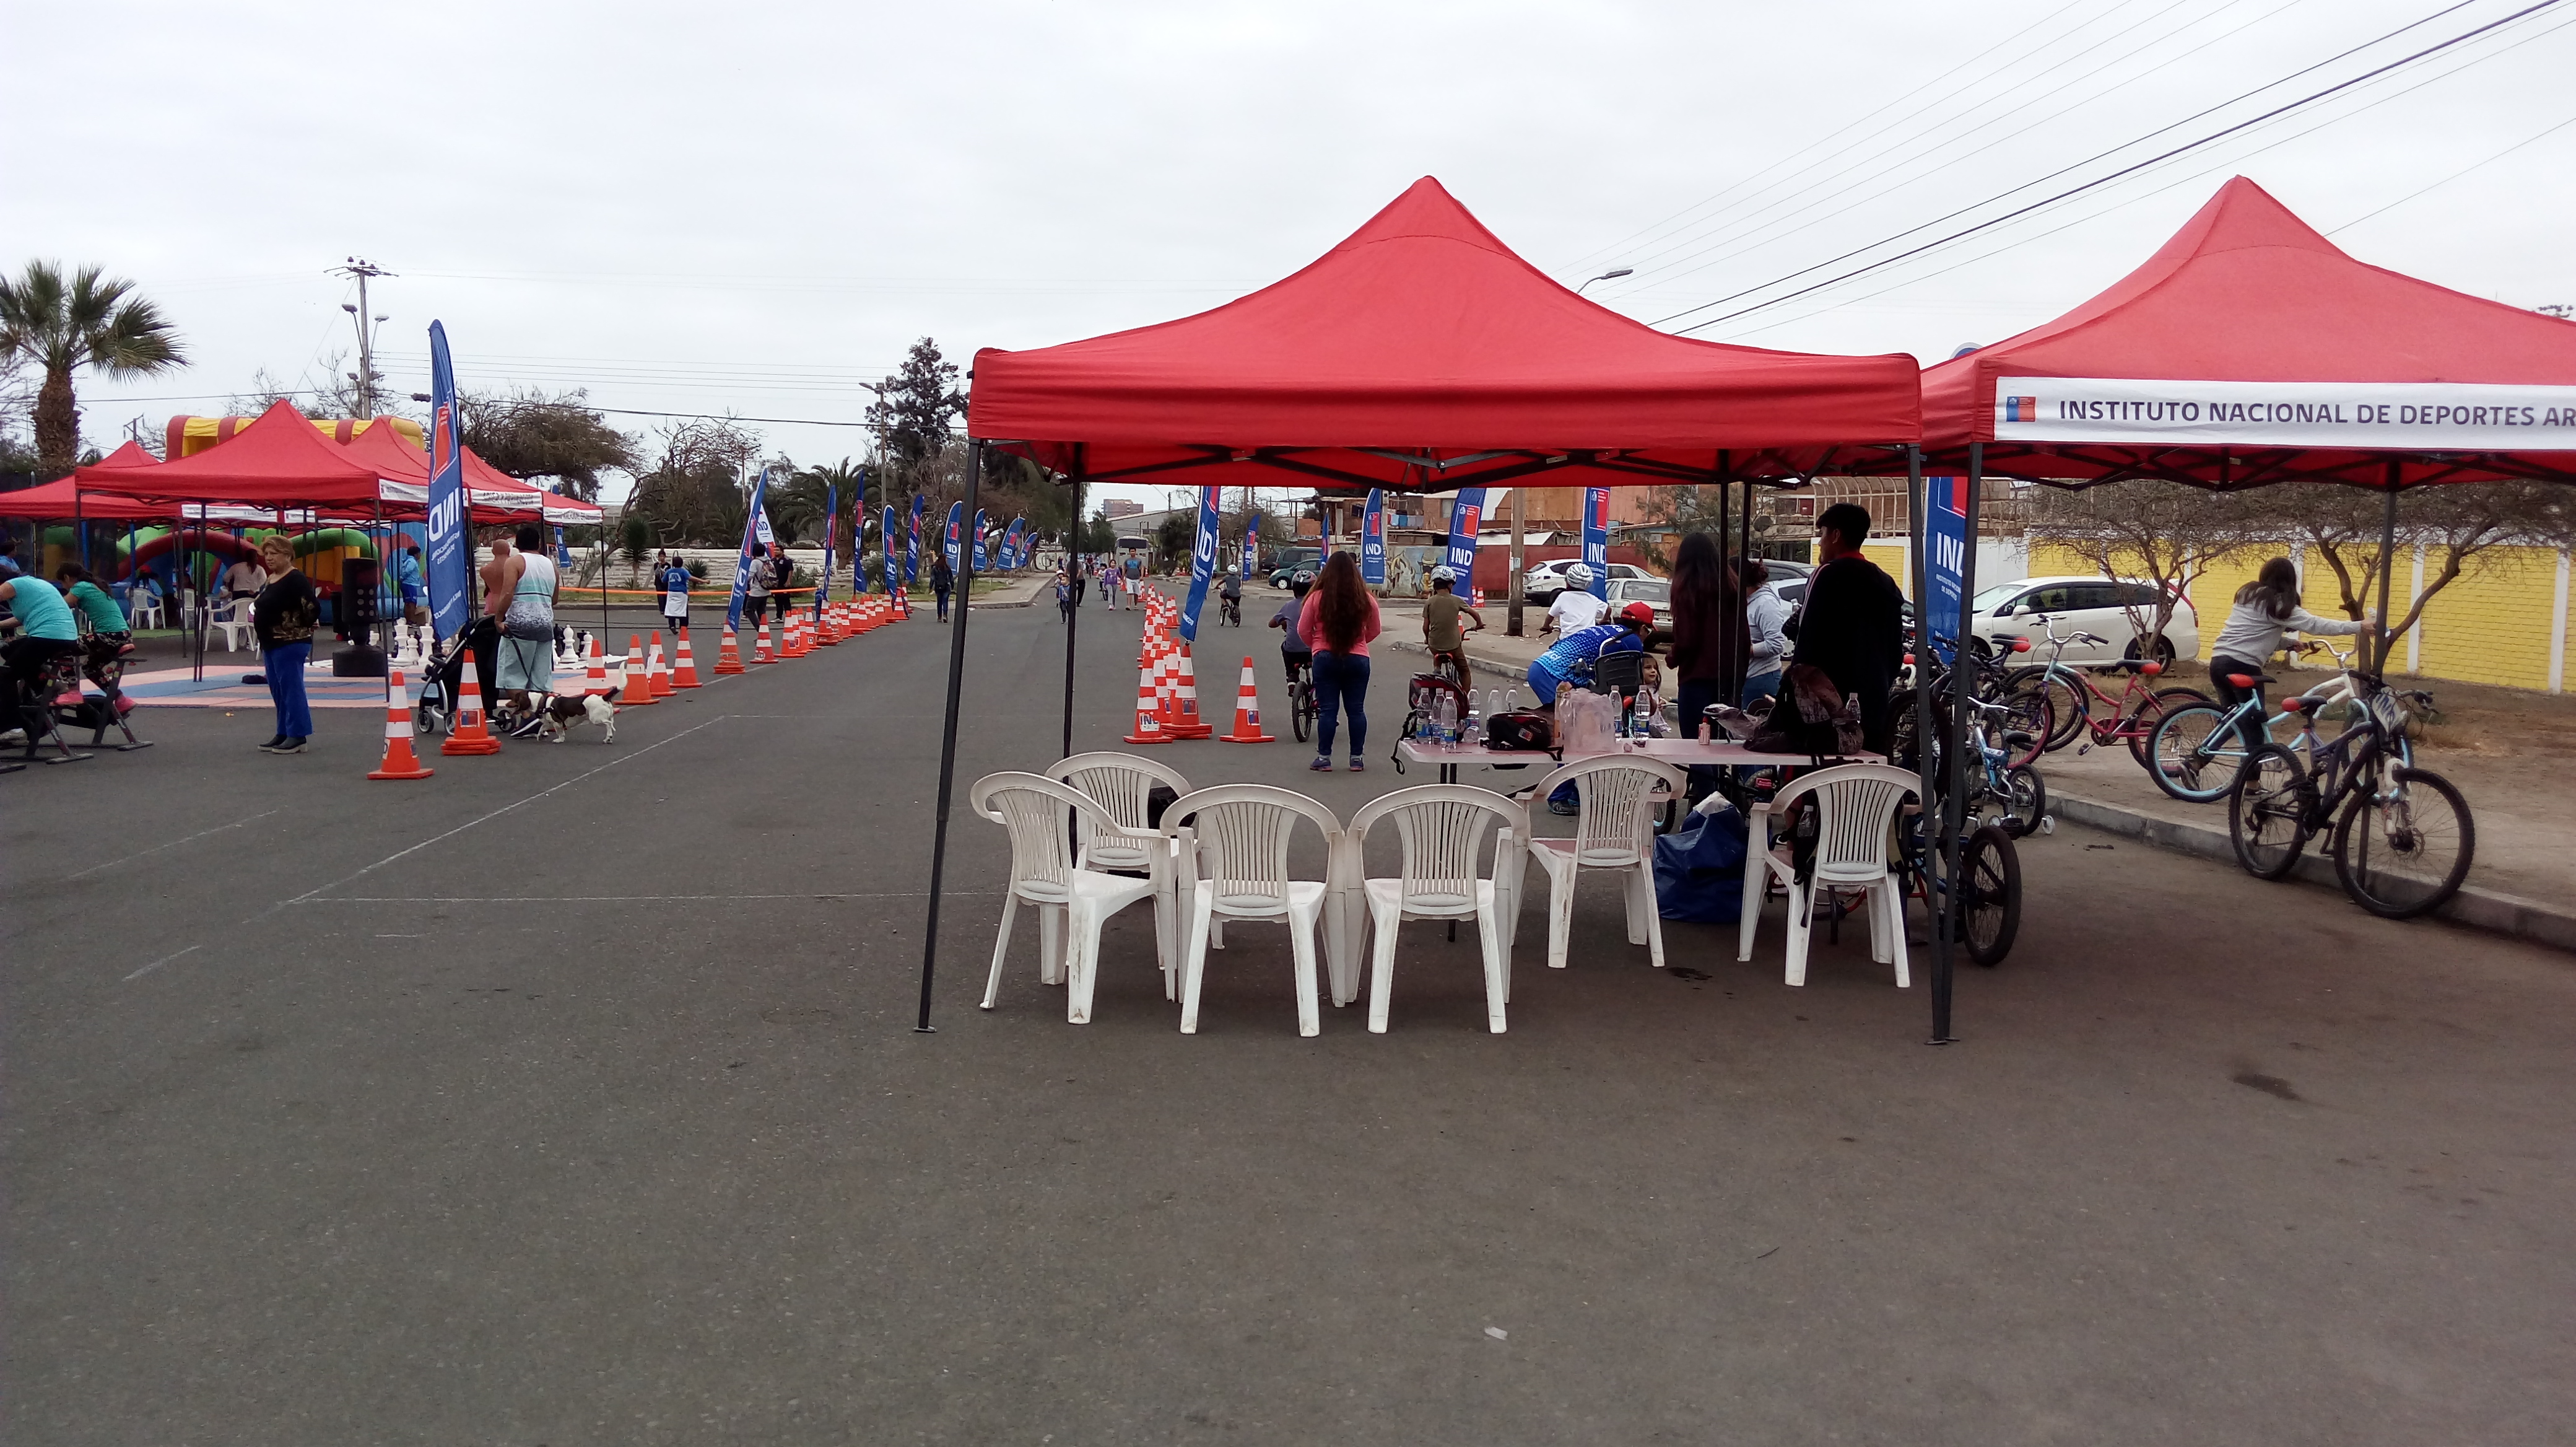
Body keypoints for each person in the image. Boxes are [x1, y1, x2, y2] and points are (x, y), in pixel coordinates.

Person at [2208, 556, 2371, 752]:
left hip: (2219, 662)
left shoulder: (2248, 596)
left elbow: (2252, 635)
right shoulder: (2278, 604)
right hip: (2243, 667)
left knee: (2232, 721)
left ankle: (2196, 759)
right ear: (2290, 580)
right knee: (2254, 730)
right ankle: (2253, 772)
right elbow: (2316, 625)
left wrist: (2289, 644)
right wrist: (2360, 626)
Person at [1788, 502, 1907, 754]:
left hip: (1827, 710)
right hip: (1873, 702)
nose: (1820, 543)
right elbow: (1896, 651)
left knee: (1822, 774)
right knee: (1864, 772)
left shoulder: (1826, 575)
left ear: (1836, 535)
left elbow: (1806, 641)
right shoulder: (1886, 582)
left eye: (1822, 534)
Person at [1298, 552, 1380, 772]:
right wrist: (1360, 643)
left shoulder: (1316, 598)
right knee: (1356, 711)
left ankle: (1324, 758)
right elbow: (1375, 630)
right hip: (1358, 658)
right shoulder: (1366, 599)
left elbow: (1303, 630)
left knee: (1327, 711)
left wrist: (1316, 646)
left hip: (1325, 658)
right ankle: (1356, 759)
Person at [1666, 533, 1747, 745]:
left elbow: (1687, 638)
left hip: (1696, 679)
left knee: (1696, 744)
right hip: (1728, 679)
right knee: (1721, 744)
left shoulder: (1688, 589)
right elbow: (1743, 636)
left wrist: (1672, 657)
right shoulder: (1733, 587)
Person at [251, 535, 318, 753]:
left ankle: (298, 735)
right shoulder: (271, 578)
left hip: (289, 642)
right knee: (278, 690)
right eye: (267, 554)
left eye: (274, 554)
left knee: (291, 689)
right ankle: (283, 731)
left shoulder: (295, 579)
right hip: (270, 643)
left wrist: (300, 625)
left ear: (288, 555)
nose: (269, 558)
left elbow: (312, 607)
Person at [1526, 600, 1651, 708]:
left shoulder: (1608, 630)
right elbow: (1633, 679)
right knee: (1565, 719)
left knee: (1572, 715)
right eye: (1649, 631)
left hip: (1545, 667)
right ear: (1643, 629)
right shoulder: (1632, 639)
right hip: (1554, 676)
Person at [491, 523, 557, 721]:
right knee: (540, 678)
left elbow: (508, 593)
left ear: (517, 544)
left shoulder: (515, 562)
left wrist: (499, 618)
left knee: (512, 676)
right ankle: (541, 718)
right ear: (539, 543)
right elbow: (555, 599)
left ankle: (528, 717)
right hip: (545, 625)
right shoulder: (551, 565)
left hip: (520, 625)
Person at [0, 571, 84, 725]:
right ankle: (45, 686)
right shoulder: (33, 584)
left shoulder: (13, 584)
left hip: (48, 636)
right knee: (9, 650)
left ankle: (11, 725)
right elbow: (20, 619)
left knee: (6, 675)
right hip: (63, 635)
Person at [1419, 564, 1484, 689]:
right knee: (1464, 671)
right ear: (1449, 585)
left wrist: (1427, 639)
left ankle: (1437, 668)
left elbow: (1425, 628)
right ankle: (1465, 695)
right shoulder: (1456, 600)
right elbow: (1474, 614)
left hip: (1435, 645)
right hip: (1453, 646)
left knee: (1436, 650)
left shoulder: (1429, 602)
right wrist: (1479, 624)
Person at [1743, 559, 1791, 707]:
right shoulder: (1745, 601)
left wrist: (1744, 650)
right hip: (1746, 679)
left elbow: (1776, 645)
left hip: (1762, 679)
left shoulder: (1766, 603)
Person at [1270, 567, 1315, 689]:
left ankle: (1291, 677)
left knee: (1284, 647)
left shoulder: (1289, 606)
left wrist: (1284, 622)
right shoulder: (1318, 605)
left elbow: (1272, 624)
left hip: (1293, 651)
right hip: (1313, 650)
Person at [1543, 562, 1606, 634]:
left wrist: (1546, 626)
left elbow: (1551, 616)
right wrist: (1604, 621)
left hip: (1568, 638)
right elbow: (1608, 609)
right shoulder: (1593, 599)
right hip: (1588, 638)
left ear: (1568, 582)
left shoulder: (1563, 597)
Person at [394, 536, 428, 629]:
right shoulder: (412, 561)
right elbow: (408, 571)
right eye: (419, 554)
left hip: (407, 584)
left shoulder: (407, 560)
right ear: (416, 554)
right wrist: (402, 578)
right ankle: (411, 621)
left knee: (408, 603)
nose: (420, 556)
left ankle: (408, 620)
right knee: (412, 603)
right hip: (410, 584)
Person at [660, 552, 692, 636]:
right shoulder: (683, 571)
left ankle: (672, 625)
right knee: (683, 610)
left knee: (672, 610)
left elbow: (663, 580)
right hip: (682, 593)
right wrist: (703, 581)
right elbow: (690, 578)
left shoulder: (670, 571)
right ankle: (683, 627)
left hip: (672, 592)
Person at [745, 545, 773, 623]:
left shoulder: (755, 562)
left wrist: (744, 583)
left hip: (756, 591)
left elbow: (750, 576)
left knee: (749, 610)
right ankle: (764, 627)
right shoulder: (768, 561)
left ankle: (759, 627)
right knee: (761, 611)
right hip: (766, 589)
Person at [930, 554, 954, 621]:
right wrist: (952, 586)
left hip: (938, 587)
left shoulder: (935, 568)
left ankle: (939, 617)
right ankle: (945, 615)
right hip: (946, 586)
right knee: (945, 601)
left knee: (939, 602)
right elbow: (951, 578)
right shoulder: (947, 568)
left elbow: (932, 578)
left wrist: (931, 586)